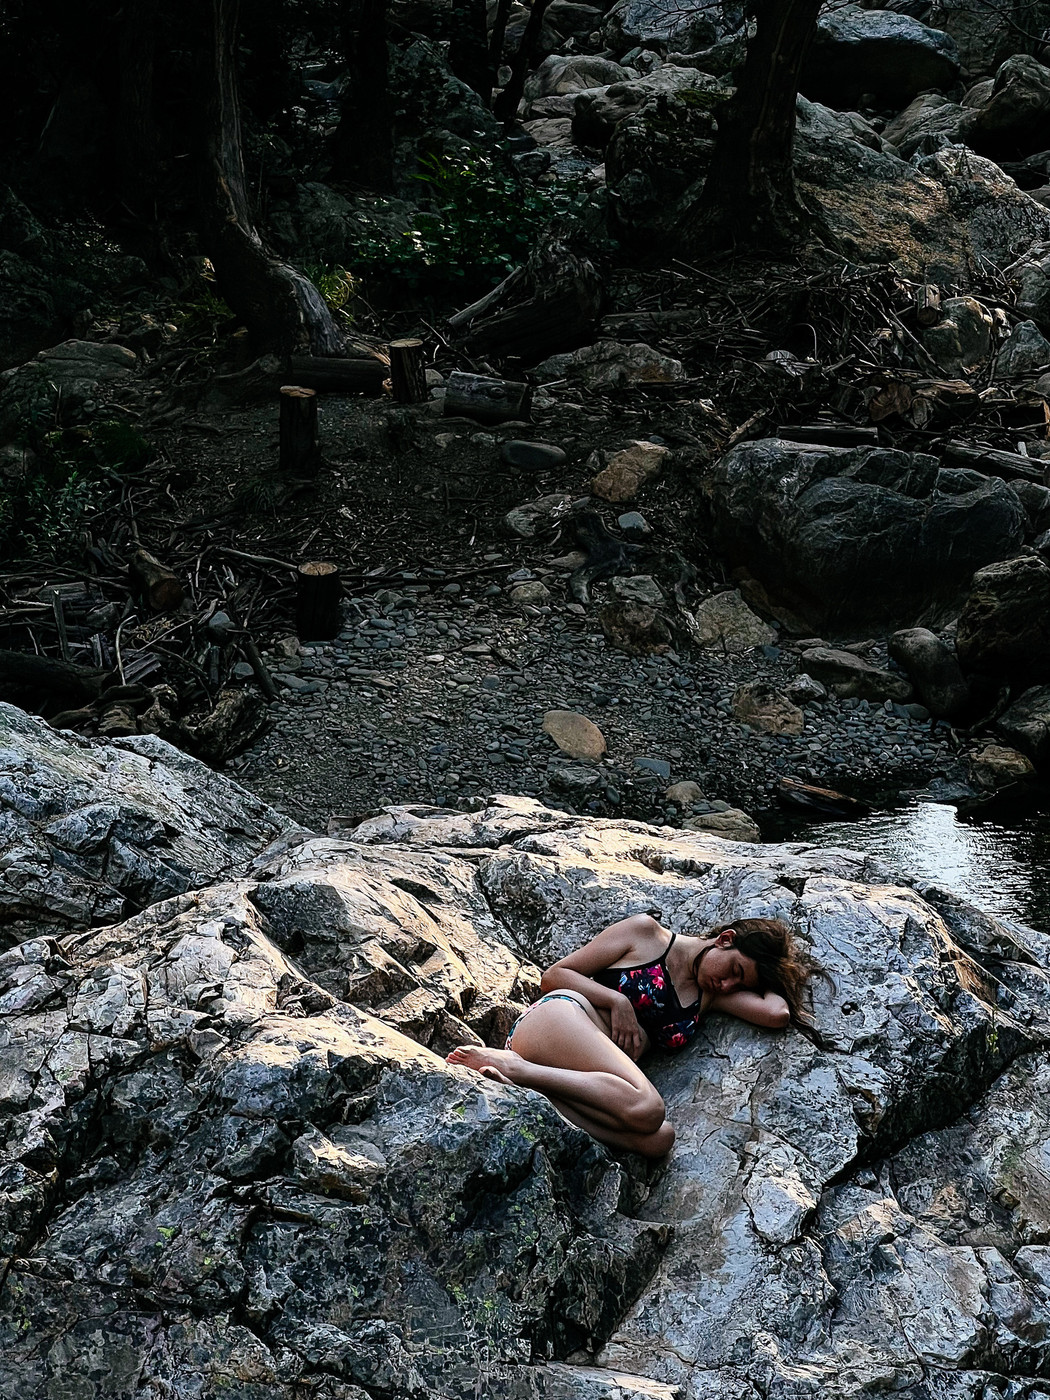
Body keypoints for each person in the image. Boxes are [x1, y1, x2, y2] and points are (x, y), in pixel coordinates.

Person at [446, 912, 814, 1158]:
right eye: (734, 969)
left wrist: (782, 968)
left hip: (580, 1076)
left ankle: (535, 1091)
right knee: (649, 1108)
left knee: (659, 1139)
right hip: (560, 1019)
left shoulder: (711, 996)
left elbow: (777, 1013)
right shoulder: (646, 934)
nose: (729, 982)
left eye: (740, 983)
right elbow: (553, 976)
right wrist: (616, 1001)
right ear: (724, 939)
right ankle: (518, 1068)